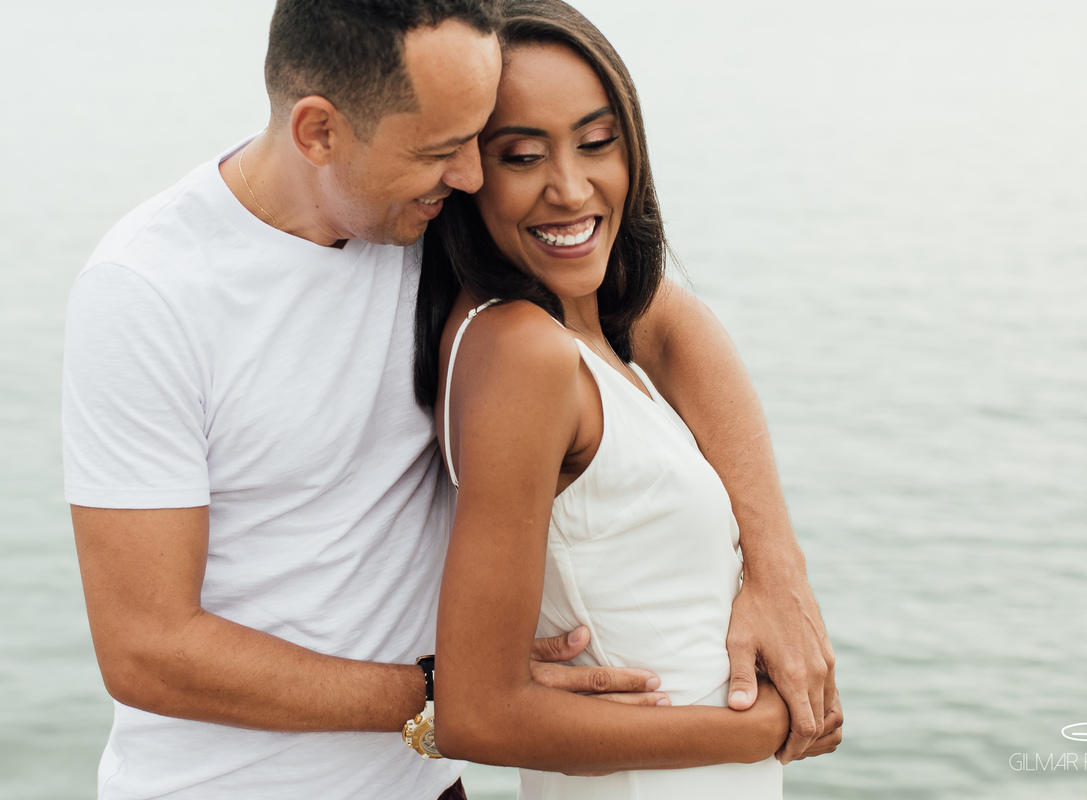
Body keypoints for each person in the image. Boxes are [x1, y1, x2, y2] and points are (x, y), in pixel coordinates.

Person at [62, 2, 839, 799]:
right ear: (319, 133)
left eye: (478, 144)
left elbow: (663, 315)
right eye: (443, 149)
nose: (471, 175)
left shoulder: (425, 217)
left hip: (429, 789)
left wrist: (777, 570)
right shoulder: (147, 293)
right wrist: (442, 693)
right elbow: (147, 649)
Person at [415, 2, 836, 797]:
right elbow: (477, 712)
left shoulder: (579, 321)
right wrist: (763, 729)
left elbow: (677, 321)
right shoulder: (522, 353)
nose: (571, 188)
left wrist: (779, 572)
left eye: (598, 142)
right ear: (469, 172)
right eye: (522, 156)